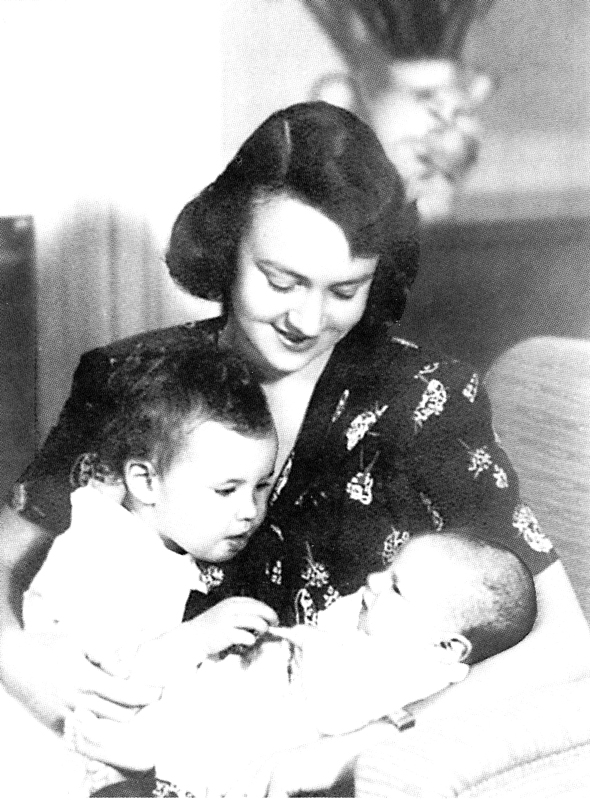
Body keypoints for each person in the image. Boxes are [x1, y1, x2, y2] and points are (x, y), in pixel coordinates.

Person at [0, 100, 588, 786]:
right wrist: (20, 661)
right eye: (281, 281)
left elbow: (564, 643)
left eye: (345, 290)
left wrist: (369, 741)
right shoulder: (131, 379)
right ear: (227, 249)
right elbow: (9, 552)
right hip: (95, 732)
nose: (308, 320)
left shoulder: (423, 400)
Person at [1, 345, 279, 797]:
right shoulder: (101, 550)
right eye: (226, 490)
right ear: (145, 482)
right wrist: (197, 639)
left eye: (262, 486)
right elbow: (106, 684)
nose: (249, 510)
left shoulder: (158, 548)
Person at [148, 528, 537, 797]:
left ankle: (156, 762)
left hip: (265, 738)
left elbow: (335, 713)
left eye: (396, 588)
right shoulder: (386, 630)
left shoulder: (416, 673)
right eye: (387, 569)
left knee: (208, 745)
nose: (374, 580)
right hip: (248, 688)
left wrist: (313, 643)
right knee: (188, 691)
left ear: (446, 648)